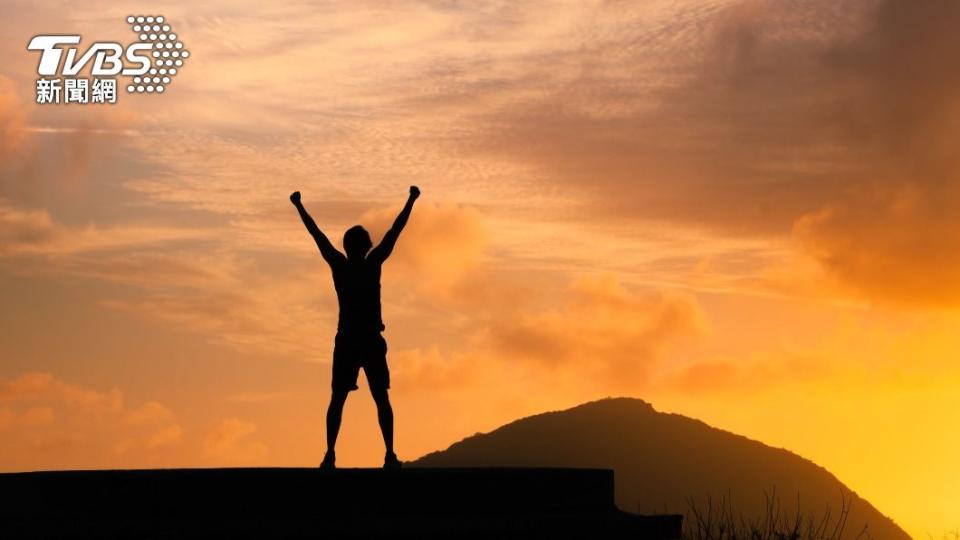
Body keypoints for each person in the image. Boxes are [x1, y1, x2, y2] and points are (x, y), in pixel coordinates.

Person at [290, 186, 420, 470]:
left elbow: (317, 236)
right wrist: (411, 200)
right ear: (367, 246)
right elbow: (394, 232)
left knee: (340, 398)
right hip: (366, 340)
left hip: (351, 340)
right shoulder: (371, 264)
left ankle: (331, 455)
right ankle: (386, 454)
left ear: (349, 246)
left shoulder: (341, 264)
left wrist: (299, 206)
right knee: (378, 398)